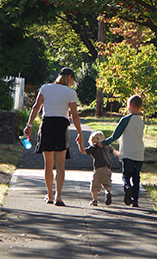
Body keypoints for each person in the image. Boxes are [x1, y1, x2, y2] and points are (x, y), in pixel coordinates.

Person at [24, 67, 83, 206]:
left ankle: (50, 195)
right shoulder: (70, 93)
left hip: (47, 125)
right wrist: (80, 133)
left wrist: (29, 125)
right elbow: (74, 115)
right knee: (61, 165)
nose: (72, 83)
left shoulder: (45, 88)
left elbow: (36, 107)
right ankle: (58, 197)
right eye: (72, 80)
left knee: (48, 165)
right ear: (69, 77)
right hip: (61, 127)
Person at [99, 95, 144, 207]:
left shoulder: (125, 120)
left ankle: (127, 187)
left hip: (128, 153)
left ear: (129, 106)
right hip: (139, 153)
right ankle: (135, 200)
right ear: (140, 108)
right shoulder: (140, 121)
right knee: (136, 177)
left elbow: (115, 136)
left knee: (126, 175)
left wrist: (103, 143)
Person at [78, 130, 119, 207]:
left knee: (94, 187)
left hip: (98, 170)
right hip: (107, 169)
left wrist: (80, 143)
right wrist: (121, 156)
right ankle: (107, 192)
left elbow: (83, 151)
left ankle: (95, 201)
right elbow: (115, 152)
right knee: (107, 184)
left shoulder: (93, 147)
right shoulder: (108, 146)